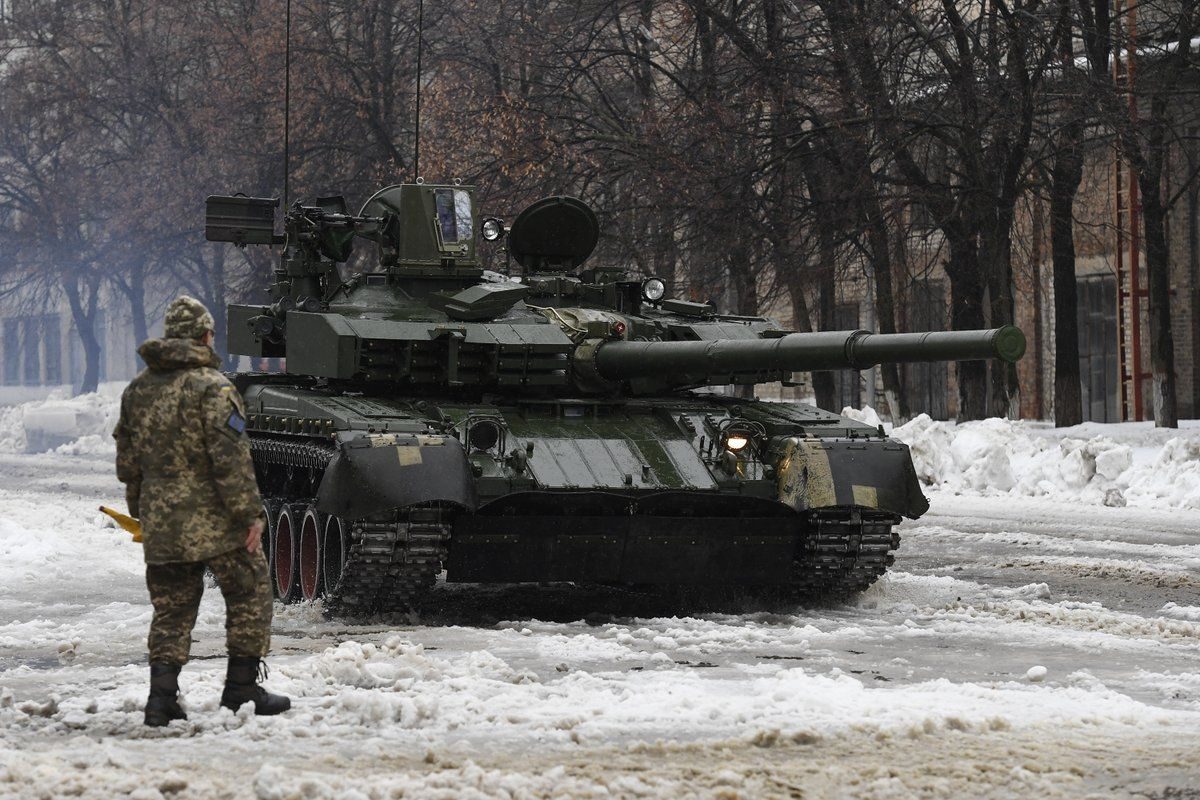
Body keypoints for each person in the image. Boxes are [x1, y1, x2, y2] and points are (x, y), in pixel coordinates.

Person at [113, 295, 290, 727]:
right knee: (249, 593)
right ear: (205, 335)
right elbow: (230, 459)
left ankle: (161, 700)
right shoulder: (214, 387)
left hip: (163, 522)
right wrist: (250, 515)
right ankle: (241, 688)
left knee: (171, 609)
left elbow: (128, 463)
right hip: (217, 523)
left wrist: (144, 512)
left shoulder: (137, 390)